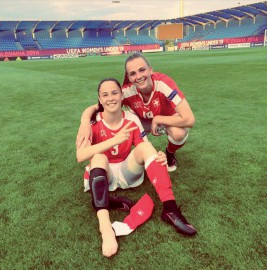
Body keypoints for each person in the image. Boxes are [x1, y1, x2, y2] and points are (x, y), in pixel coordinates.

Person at [76, 78, 197, 258]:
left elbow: (144, 147)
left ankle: (170, 209)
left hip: (127, 173)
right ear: (99, 100)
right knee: (99, 157)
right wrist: (113, 140)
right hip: (103, 172)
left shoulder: (131, 119)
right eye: (105, 94)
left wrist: (157, 157)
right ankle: (105, 227)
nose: (110, 98)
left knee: (148, 148)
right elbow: (80, 156)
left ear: (122, 95)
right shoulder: (92, 121)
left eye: (115, 93)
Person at [76, 53, 195, 172]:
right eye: (133, 74)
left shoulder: (163, 84)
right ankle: (124, 158)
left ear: (150, 70)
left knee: (179, 133)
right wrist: (85, 122)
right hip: (143, 122)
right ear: (129, 77)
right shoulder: (127, 91)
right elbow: (101, 106)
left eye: (142, 70)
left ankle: (170, 153)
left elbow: (189, 119)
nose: (138, 76)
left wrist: (158, 119)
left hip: (168, 118)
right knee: (123, 125)